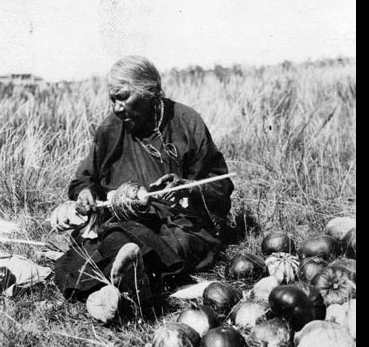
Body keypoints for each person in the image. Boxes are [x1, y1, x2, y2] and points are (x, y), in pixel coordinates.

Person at [51, 55, 235, 322]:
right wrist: (85, 194)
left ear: (151, 93)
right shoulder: (110, 131)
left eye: (123, 97)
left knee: (135, 243)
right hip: (122, 223)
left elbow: (220, 186)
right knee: (101, 242)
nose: (116, 108)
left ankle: (118, 286)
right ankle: (133, 284)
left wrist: (187, 189)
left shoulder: (186, 122)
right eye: (112, 99)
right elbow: (84, 179)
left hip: (179, 226)